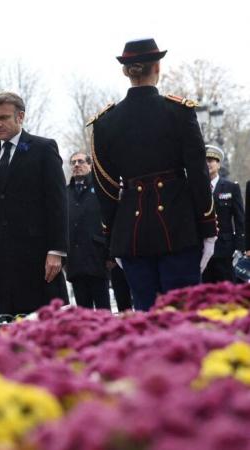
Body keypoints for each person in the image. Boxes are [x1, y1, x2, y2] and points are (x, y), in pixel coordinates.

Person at [90, 38, 217, 311]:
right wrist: (208, 228)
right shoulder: (179, 111)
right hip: (179, 230)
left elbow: (106, 190)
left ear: (126, 71)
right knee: (184, 317)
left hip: (131, 235)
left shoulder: (105, 123)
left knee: (147, 319)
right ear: (157, 67)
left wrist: (113, 237)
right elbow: (198, 176)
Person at [0, 92, 68, 315]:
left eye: (4, 118)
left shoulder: (43, 149)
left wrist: (57, 250)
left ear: (20, 116)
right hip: (2, 260)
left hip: (40, 257)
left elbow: (57, 203)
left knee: (47, 323)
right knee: (11, 327)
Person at [65, 152, 110, 310]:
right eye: (73, 162)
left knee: (104, 313)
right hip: (75, 263)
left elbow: (109, 220)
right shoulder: (65, 193)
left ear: (90, 165)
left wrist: (110, 253)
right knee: (83, 315)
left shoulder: (100, 189)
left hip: (98, 258)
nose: (76, 165)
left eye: (81, 161)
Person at [201, 146, 244, 283]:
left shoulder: (231, 187)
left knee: (226, 290)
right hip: (201, 248)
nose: (207, 163)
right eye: (205, 160)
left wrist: (241, 247)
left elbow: (240, 218)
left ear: (218, 164)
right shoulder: (195, 188)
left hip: (225, 249)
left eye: (211, 160)